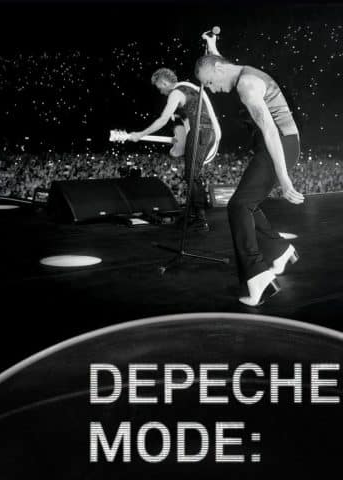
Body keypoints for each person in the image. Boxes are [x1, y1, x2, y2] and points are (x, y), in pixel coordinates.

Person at [196, 31, 304, 306]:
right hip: (281, 142)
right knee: (248, 203)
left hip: (278, 144)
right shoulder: (235, 70)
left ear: (218, 70)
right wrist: (211, 45)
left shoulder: (247, 86)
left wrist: (284, 178)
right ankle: (279, 250)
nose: (211, 90)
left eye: (209, 83)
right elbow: (218, 62)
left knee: (239, 206)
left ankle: (257, 277)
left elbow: (270, 130)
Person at [127, 67, 221, 231]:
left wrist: (140, 134)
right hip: (206, 132)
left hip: (200, 132)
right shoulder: (189, 89)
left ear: (163, 82)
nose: (161, 92)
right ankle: (191, 215)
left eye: (159, 87)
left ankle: (200, 219)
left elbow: (163, 119)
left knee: (192, 175)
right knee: (191, 174)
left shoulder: (176, 93)